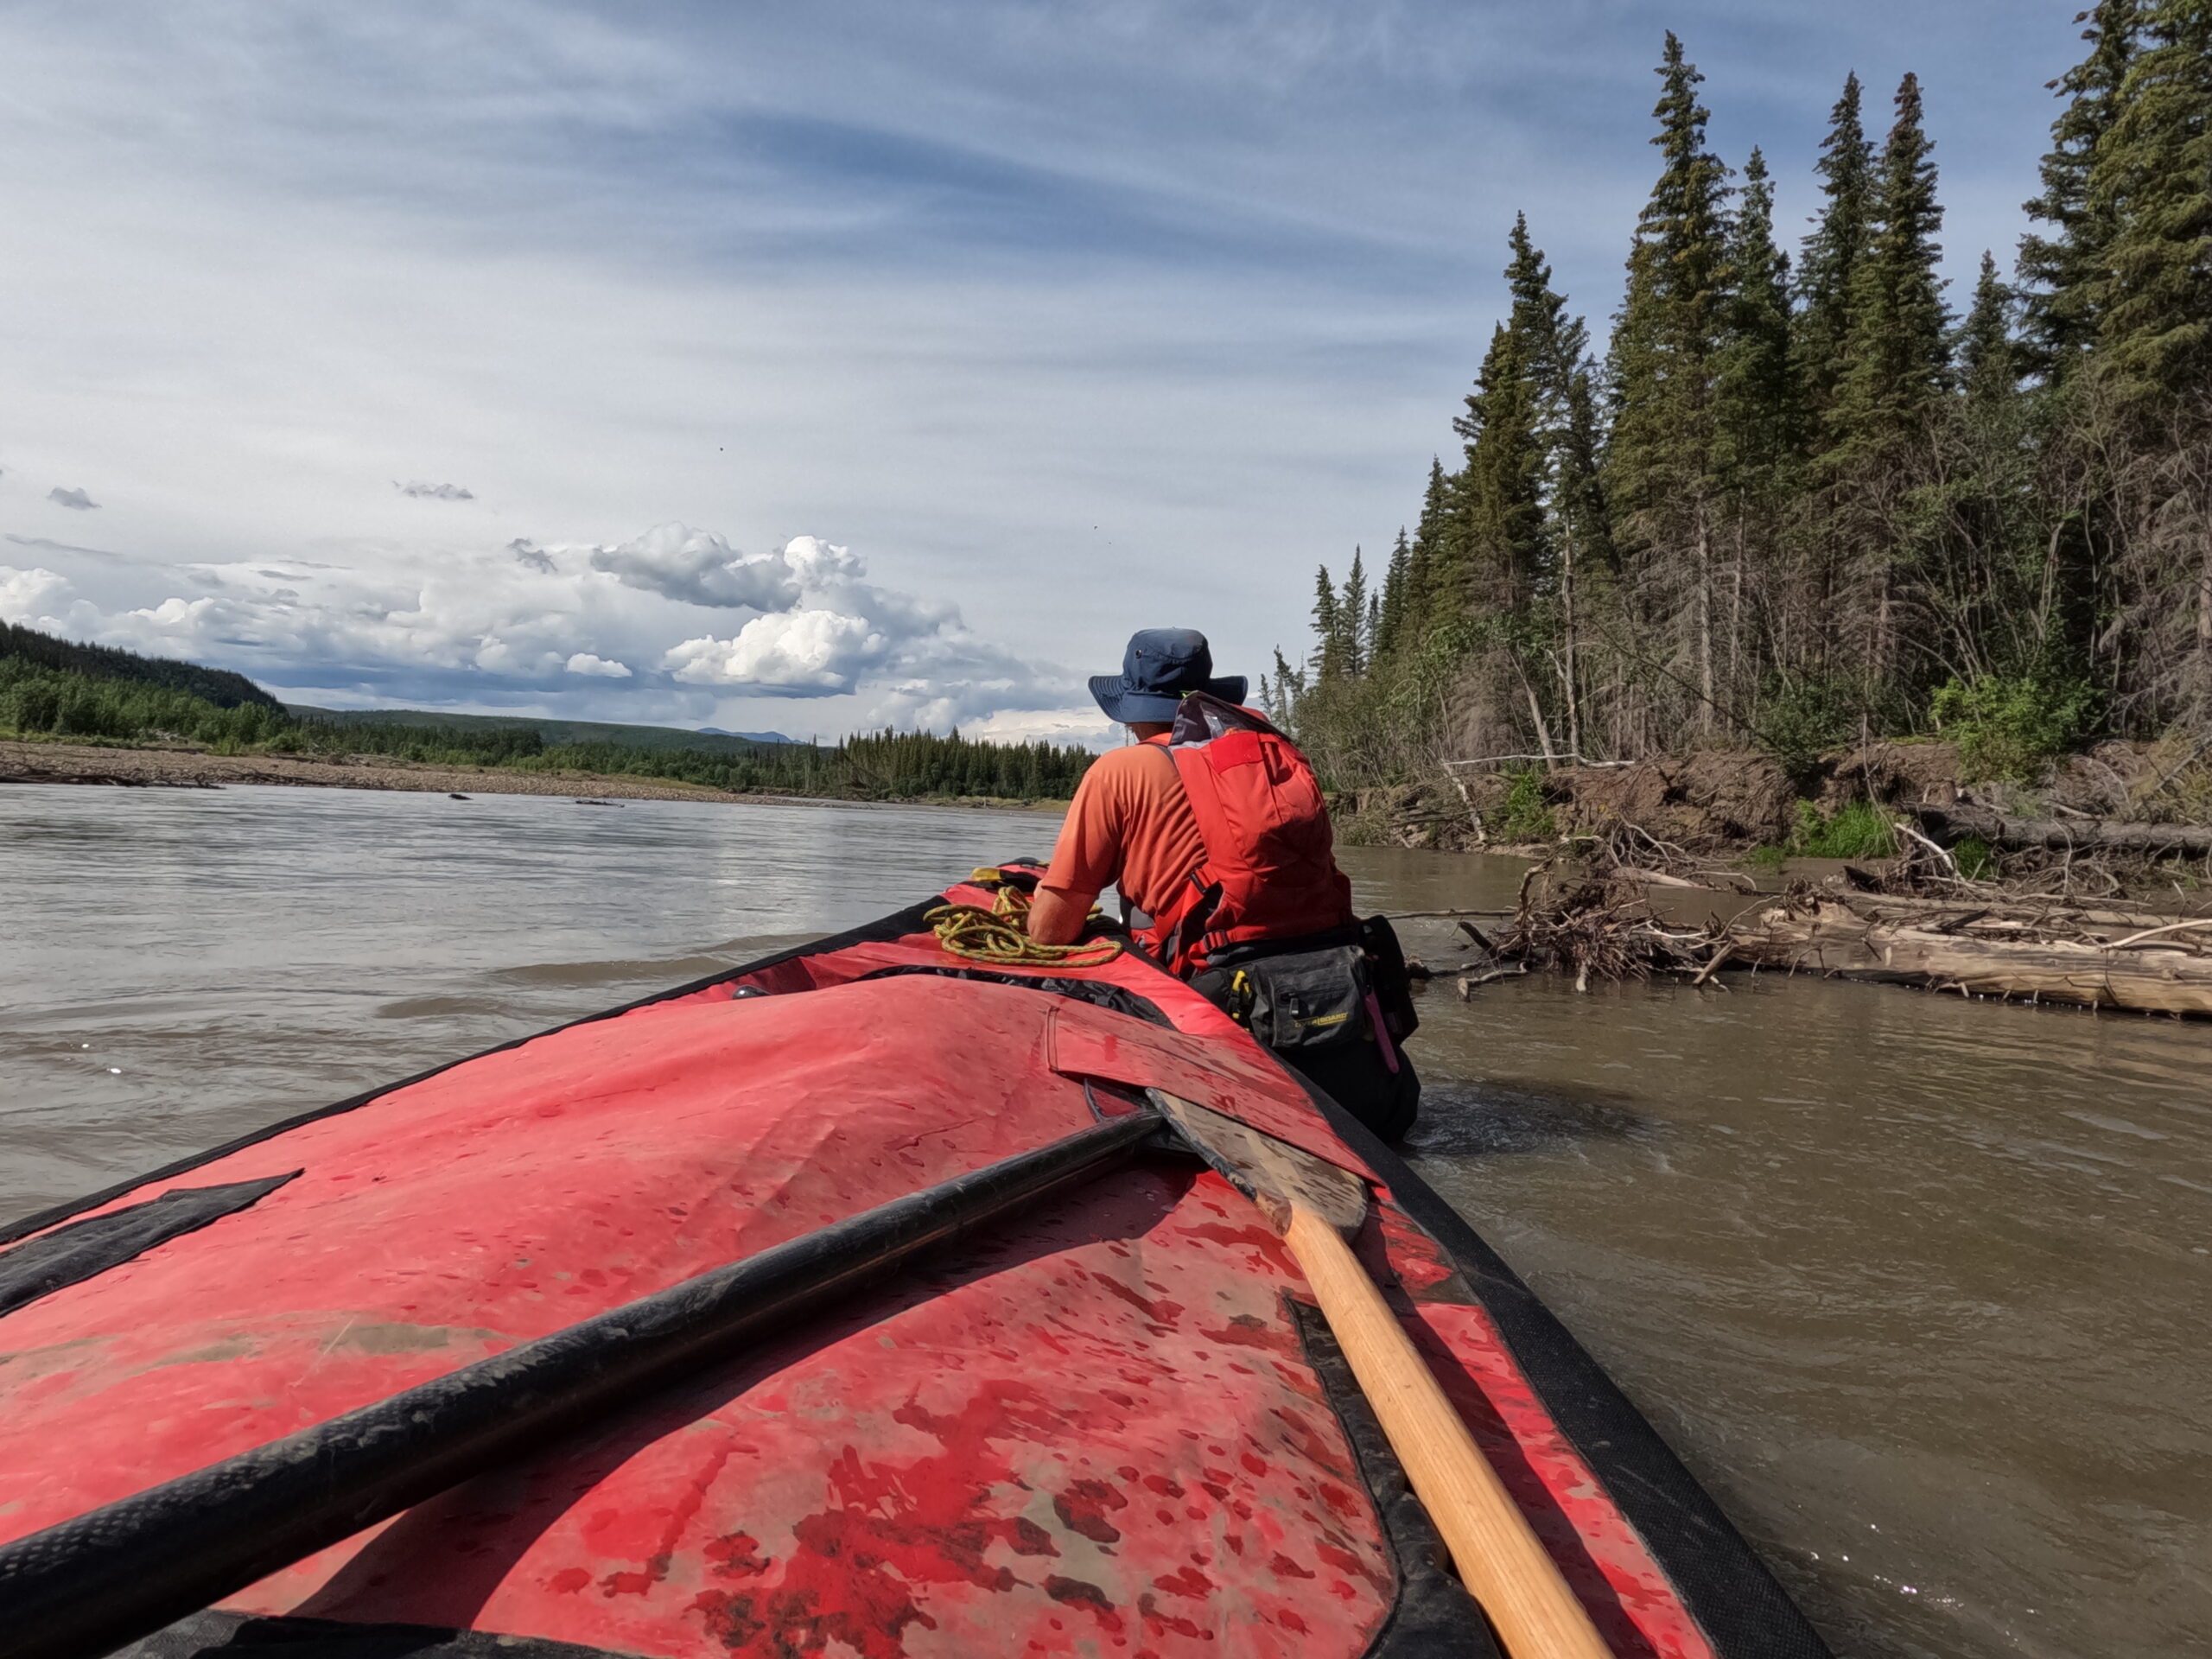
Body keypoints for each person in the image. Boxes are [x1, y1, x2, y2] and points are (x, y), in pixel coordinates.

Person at [1027, 627, 1420, 1141]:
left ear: (1132, 708)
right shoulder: (1269, 763)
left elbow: (1048, 933)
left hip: (1216, 1024)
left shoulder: (1118, 772)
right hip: (1360, 1059)